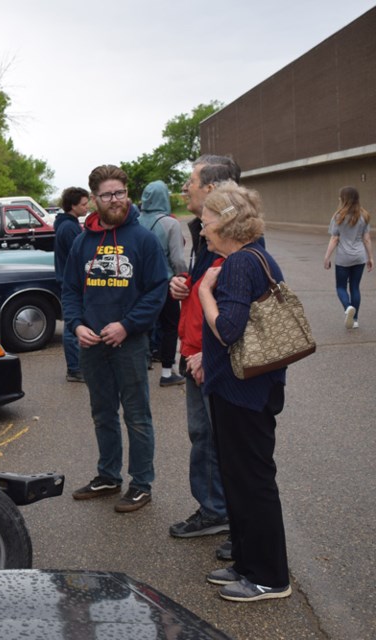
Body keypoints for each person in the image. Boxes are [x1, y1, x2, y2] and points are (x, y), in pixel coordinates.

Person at [193, 182, 292, 602]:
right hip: (246, 389)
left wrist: (203, 292)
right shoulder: (254, 258)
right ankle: (248, 563)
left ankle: (270, 577)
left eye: (207, 221)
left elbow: (230, 330)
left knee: (252, 482)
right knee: (238, 480)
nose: (202, 229)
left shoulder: (238, 264)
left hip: (243, 392)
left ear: (228, 222)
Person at [62, 165, 168, 513]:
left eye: (120, 193)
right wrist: (76, 325)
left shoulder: (144, 239)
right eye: (107, 194)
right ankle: (108, 475)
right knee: (102, 413)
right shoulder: (82, 242)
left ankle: (141, 483)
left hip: (130, 343)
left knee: (137, 416)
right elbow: (71, 290)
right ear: (94, 199)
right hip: (92, 346)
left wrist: (127, 325)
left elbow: (156, 290)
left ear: (128, 194)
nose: (115, 200)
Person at [168, 156, 241, 552]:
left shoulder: (236, 239)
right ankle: (214, 512)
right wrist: (183, 284)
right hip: (197, 351)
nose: (185, 188)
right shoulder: (203, 232)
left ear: (212, 188)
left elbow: (234, 309)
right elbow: (205, 289)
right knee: (205, 436)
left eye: (191, 181)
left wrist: (208, 354)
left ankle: (239, 527)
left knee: (229, 443)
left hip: (213, 357)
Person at [139, 181, 187, 387]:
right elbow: (177, 258)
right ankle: (167, 373)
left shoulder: (135, 220)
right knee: (170, 327)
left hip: (140, 284)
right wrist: (183, 277)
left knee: (143, 325)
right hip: (165, 283)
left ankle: (143, 363)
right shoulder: (170, 223)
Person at [323, 186, 373, 329]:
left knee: (340, 287)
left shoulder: (338, 216)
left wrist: (327, 257)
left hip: (343, 258)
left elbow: (334, 239)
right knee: (355, 287)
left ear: (343, 199)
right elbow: (367, 239)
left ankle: (347, 307)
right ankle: (355, 319)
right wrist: (370, 258)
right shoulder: (364, 216)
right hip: (359, 257)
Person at [52, 186, 89, 383]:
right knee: (72, 324)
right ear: (73, 205)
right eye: (83, 204)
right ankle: (75, 368)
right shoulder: (69, 228)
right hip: (71, 282)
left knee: (73, 322)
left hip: (68, 279)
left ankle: (77, 366)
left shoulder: (66, 225)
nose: (87, 207)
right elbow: (80, 255)